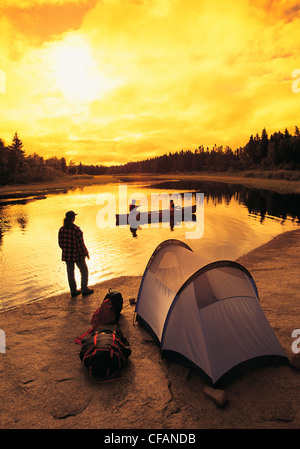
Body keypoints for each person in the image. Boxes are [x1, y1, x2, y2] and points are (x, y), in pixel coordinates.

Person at [58, 211, 94, 298]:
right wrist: (86, 253)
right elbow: (81, 244)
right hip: (77, 255)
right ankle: (84, 290)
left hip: (67, 255)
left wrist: (66, 250)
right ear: (73, 218)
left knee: (70, 273)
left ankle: (73, 291)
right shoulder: (76, 230)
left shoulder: (61, 230)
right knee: (84, 271)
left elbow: (60, 243)